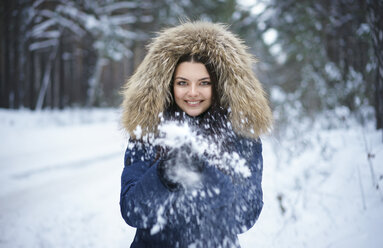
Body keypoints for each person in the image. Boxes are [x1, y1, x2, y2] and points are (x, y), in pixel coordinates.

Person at [120, 21, 272, 248]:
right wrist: (164, 174)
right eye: (182, 83)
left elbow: (243, 217)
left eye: (204, 83)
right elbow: (133, 212)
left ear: (219, 85)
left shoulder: (241, 135)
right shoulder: (149, 131)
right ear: (169, 85)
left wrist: (203, 171)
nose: (192, 93)